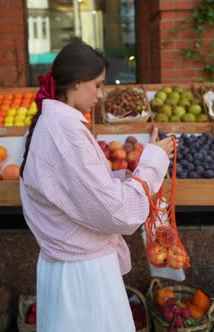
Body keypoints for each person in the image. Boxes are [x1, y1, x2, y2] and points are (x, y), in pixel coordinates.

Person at [20, 39, 175, 332]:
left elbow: (79, 194)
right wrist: (153, 161)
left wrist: (124, 178)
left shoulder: (54, 124)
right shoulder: (65, 133)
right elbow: (118, 212)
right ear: (77, 83)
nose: (101, 95)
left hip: (69, 267)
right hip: (82, 276)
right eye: (98, 85)